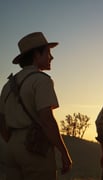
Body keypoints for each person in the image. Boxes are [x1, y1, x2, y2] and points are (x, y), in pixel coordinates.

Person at [0, 32, 72, 179]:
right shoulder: (41, 80)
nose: (51, 57)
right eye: (48, 52)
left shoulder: (7, 85)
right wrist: (64, 153)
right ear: (36, 55)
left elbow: (1, 120)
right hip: (33, 146)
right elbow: (47, 120)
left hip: (9, 147)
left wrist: (13, 141)